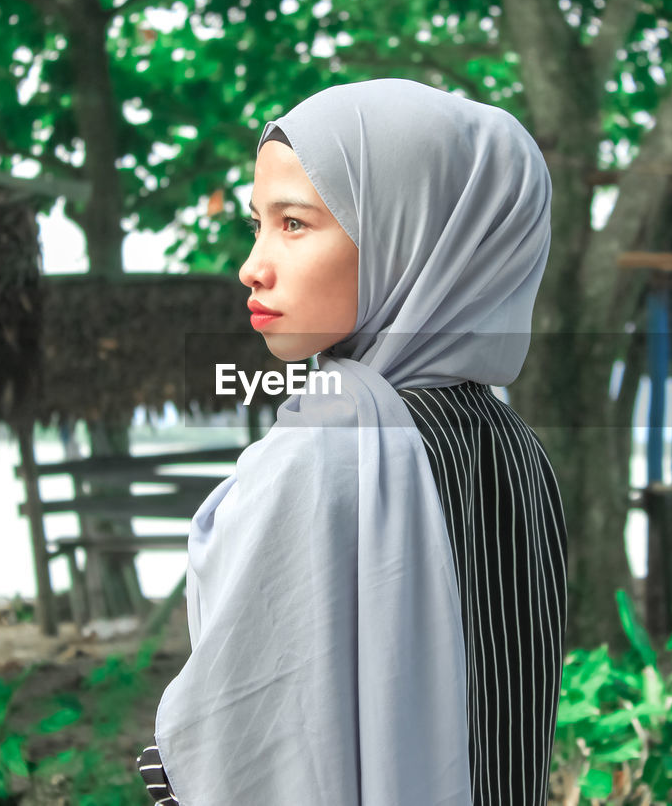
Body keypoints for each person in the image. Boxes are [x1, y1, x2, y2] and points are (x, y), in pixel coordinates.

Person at [138, 78, 567, 806]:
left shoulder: (328, 452)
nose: (253, 265)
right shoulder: (517, 449)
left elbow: (248, 741)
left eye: (295, 224)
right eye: (257, 223)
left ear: (415, 236)